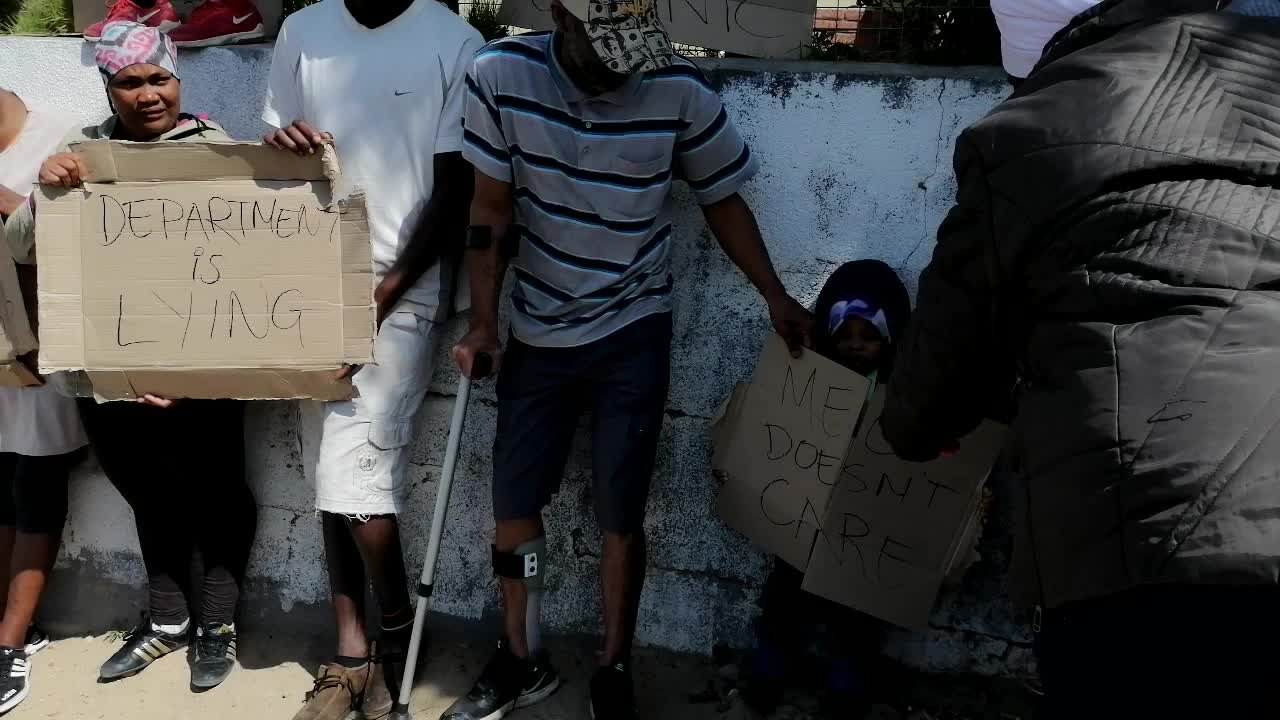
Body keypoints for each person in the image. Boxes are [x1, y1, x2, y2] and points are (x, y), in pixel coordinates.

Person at [879, 1, 1280, 717]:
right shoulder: (1265, 62)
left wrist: (922, 426)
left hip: (1143, 557)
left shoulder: (1025, 132)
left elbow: (929, 389)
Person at [448, 2, 814, 717]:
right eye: (602, 45)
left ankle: (614, 667)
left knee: (623, 513)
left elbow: (721, 197)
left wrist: (775, 293)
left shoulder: (677, 85)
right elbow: (489, 208)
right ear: (560, 13)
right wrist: (485, 323)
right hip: (540, 329)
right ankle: (521, 657)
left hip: (632, 328)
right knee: (514, 506)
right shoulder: (500, 74)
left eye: (630, 45)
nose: (621, 62)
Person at [261, 1, 483, 718]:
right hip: (308, 284)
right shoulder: (303, 30)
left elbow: (456, 194)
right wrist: (283, 139)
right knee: (333, 474)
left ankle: (394, 636)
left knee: (357, 481)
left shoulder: (456, 42)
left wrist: (380, 300)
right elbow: (274, 156)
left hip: (401, 289)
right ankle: (351, 655)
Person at [27, 22, 257, 691]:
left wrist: (189, 374)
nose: (148, 95)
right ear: (108, 86)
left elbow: (252, 268)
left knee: (218, 492)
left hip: (205, 371)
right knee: (146, 491)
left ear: (178, 80)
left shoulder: (215, 151)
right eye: (131, 82)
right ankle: (166, 620)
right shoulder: (80, 154)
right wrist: (48, 190)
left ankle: (216, 622)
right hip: (106, 371)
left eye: (159, 79)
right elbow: (20, 245)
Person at [733, 260, 910, 719]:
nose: (855, 346)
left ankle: (847, 684)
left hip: (865, 525)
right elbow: (773, 429)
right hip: (804, 517)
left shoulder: (899, 390)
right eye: (845, 335)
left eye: (868, 337)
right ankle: (771, 667)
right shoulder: (809, 378)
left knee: (857, 606)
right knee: (786, 593)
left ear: (890, 339)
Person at [0, 87, 86, 715]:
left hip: (34, 339)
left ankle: (11, 642)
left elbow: (73, 232)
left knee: (36, 480)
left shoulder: (60, 136)